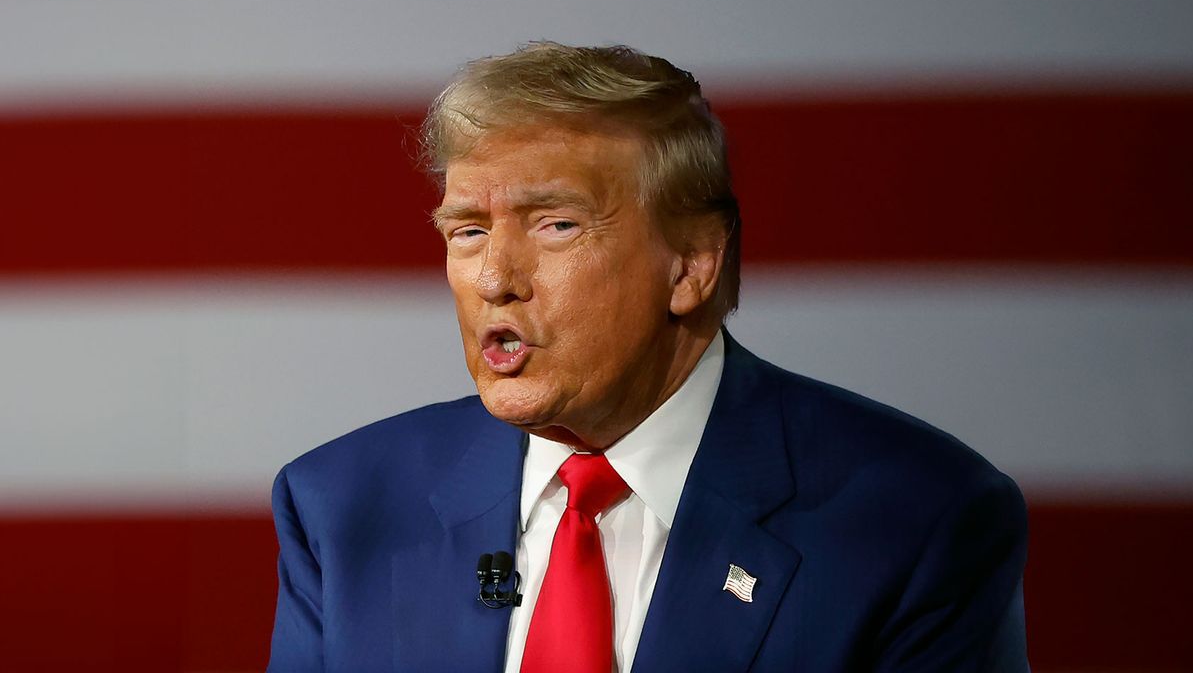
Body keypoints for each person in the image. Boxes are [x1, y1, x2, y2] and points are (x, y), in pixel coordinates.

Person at [267, 42, 1029, 672]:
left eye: (556, 225)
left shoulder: (916, 521)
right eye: (467, 230)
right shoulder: (343, 507)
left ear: (692, 264)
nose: (495, 278)